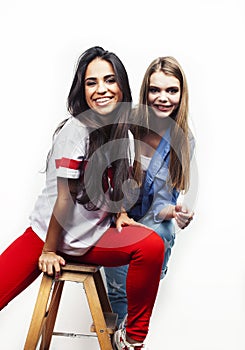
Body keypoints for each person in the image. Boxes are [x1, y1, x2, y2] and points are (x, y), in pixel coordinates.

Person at [0, 46, 165, 350]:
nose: (101, 89)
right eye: (92, 82)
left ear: (121, 87)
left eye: (110, 80)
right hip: (48, 235)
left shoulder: (124, 136)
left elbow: (116, 182)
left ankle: (133, 340)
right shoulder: (75, 130)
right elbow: (64, 200)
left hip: (91, 239)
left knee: (152, 246)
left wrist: (118, 215)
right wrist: (48, 251)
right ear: (82, 89)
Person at [104, 55, 195, 326]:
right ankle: (123, 329)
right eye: (155, 90)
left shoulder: (184, 139)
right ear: (146, 91)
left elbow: (162, 204)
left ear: (182, 93)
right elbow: (102, 174)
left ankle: (127, 329)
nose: (163, 98)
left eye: (171, 90)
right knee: (121, 295)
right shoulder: (128, 122)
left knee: (162, 232)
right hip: (113, 217)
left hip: (148, 224)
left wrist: (174, 212)